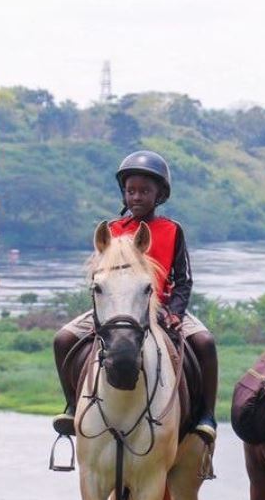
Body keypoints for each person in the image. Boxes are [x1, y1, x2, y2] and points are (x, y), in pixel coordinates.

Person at [51, 151, 219, 443]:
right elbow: (99, 278)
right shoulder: (112, 231)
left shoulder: (172, 230)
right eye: (131, 191)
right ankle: (72, 405)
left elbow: (183, 279)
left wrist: (175, 312)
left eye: (145, 191)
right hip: (117, 310)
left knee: (205, 343)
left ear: (159, 195)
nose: (137, 197)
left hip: (163, 307)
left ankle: (206, 414)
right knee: (62, 340)